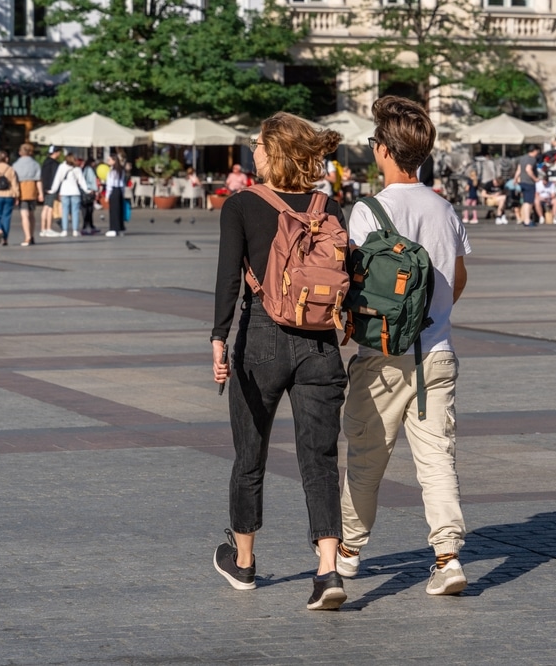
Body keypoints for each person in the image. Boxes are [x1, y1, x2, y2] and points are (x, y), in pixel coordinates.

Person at [210, 112, 349, 611]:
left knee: (250, 454)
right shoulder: (326, 204)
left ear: (272, 152)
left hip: (261, 340)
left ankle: (244, 563)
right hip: (320, 342)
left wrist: (218, 339)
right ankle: (328, 569)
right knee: (321, 458)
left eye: (256, 144)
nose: (252, 151)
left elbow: (229, 278)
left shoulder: (241, 204)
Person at [338, 95, 471, 597]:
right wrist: (433, 316)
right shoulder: (444, 207)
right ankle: (448, 557)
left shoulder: (369, 211)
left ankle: (348, 552)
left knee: (368, 458)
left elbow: (357, 285)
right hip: (437, 351)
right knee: (438, 457)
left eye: (374, 141)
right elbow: (457, 278)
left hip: (382, 358)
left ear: (386, 151)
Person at [48, 154, 93, 238]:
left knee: (65, 212)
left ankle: (64, 230)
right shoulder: (77, 168)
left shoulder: (61, 167)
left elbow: (57, 179)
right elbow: (81, 180)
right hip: (75, 192)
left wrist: (53, 190)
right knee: (75, 212)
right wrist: (87, 190)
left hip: (64, 192)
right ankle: (75, 230)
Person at [12, 143, 42, 246]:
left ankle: (27, 237)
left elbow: (13, 180)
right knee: (32, 214)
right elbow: (38, 180)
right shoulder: (35, 164)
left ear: (20, 152)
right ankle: (32, 235)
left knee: (24, 215)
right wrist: (41, 193)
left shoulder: (15, 165)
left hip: (21, 190)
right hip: (32, 189)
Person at [514, 144, 540, 226]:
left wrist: (515, 178)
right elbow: (528, 169)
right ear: (535, 151)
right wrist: (535, 178)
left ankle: (525, 219)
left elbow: (519, 169)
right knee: (529, 202)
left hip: (522, 182)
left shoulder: (522, 158)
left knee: (526, 201)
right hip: (529, 182)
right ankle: (527, 220)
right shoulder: (532, 159)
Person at [40, 145, 62, 237]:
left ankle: (43, 229)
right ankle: (48, 228)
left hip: (45, 188)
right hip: (52, 188)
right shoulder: (55, 164)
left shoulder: (45, 162)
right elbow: (56, 178)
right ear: (56, 152)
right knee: (50, 208)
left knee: (45, 208)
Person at [105, 153, 126, 238]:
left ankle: (113, 228)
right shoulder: (121, 170)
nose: (108, 161)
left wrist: (107, 195)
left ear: (114, 161)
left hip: (114, 190)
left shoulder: (112, 171)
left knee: (113, 211)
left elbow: (109, 184)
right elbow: (123, 184)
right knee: (119, 210)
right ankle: (120, 228)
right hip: (120, 191)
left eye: (109, 160)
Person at [80, 157, 100, 235]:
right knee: (88, 210)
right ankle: (87, 226)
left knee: (87, 210)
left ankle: (89, 226)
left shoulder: (84, 169)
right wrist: (95, 189)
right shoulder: (89, 170)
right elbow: (92, 180)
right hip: (89, 191)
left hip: (84, 191)